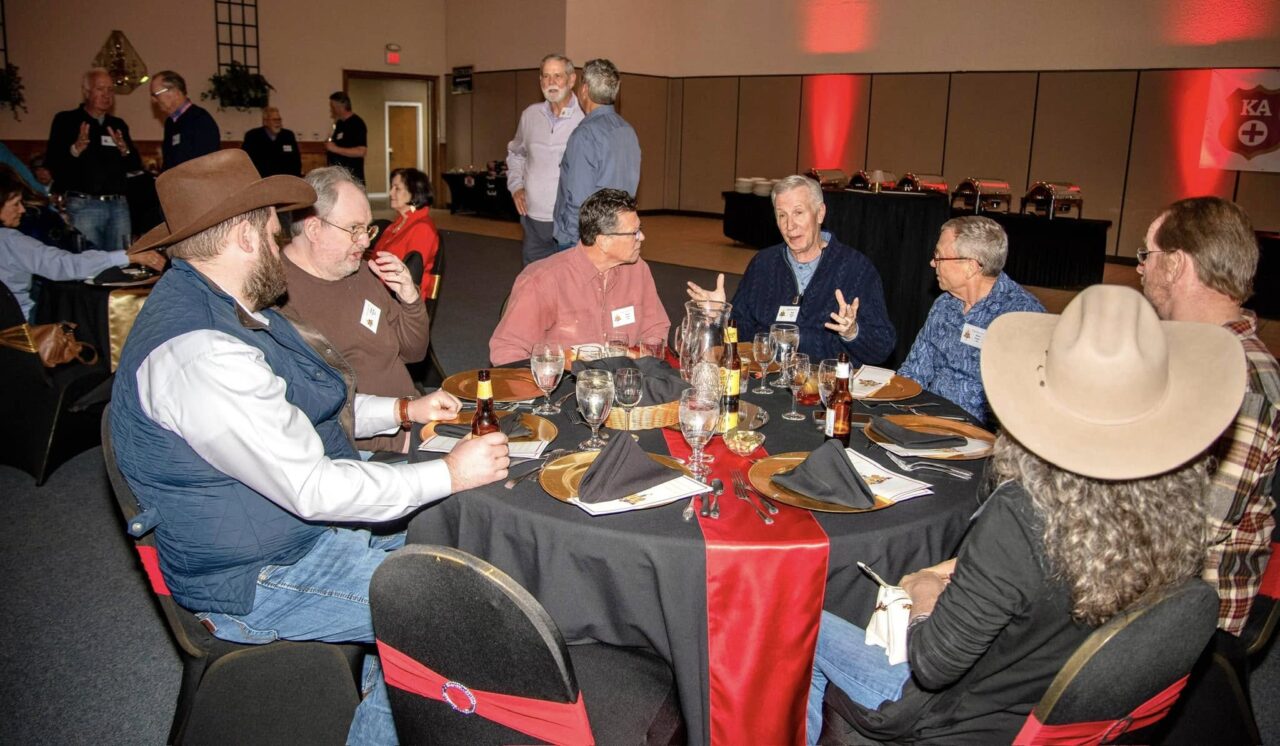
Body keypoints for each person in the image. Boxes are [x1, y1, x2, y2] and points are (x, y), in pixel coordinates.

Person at [109, 149, 509, 743]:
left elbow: (297, 416)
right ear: (245, 236)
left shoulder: (225, 309)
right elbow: (314, 488)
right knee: (453, 620)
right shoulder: (202, 353)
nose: (283, 240)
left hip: (282, 530)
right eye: (275, 231)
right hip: (260, 573)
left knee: (456, 533)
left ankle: (386, 683)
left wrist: (401, 410)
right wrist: (448, 472)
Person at [807, 284, 1247, 745]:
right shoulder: (1172, 507)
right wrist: (965, 571)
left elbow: (933, 663)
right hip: (1052, 702)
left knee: (799, 624)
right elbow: (1060, 573)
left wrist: (922, 592)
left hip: (958, 716)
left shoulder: (1023, 516)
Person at [1137, 196, 1279, 641]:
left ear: (1176, 265)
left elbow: (1198, 529)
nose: (1140, 268)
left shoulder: (1243, 379)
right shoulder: (1187, 354)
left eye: (1148, 255)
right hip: (1151, 567)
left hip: (1191, 602)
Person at [281, 166, 428, 454]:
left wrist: (409, 299)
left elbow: (413, 353)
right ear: (313, 228)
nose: (366, 241)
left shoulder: (359, 273)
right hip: (364, 450)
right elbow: (318, 414)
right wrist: (406, 440)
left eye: (367, 228)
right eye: (354, 229)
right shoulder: (278, 298)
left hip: (414, 419)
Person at [687, 175, 895, 364]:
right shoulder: (763, 264)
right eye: (782, 216)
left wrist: (852, 332)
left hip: (826, 387)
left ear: (820, 213)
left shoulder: (856, 269)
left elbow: (882, 348)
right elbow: (742, 336)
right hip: (767, 381)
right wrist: (720, 314)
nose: (790, 225)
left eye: (798, 212)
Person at [490, 188, 668, 365]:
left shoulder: (638, 270)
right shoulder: (543, 281)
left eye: (640, 229)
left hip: (624, 380)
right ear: (603, 241)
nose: (642, 237)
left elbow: (656, 328)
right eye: (634, 233)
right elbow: (507, 351)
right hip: (566, 385)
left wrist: (644, 367)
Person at [897, 216, 1044, 422]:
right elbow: (914, 372)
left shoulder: (1021, 318)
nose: (932, 263)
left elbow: (1026, 404)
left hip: (983, 435)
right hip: (927, 420)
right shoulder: (945, 305)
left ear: (971, 267)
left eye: (939, 256)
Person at [0, 170, 162, 320]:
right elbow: (66, 265)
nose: (22, 210)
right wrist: (129, 256)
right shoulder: (10, 240)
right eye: (15, 204)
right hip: (16, 328)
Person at [45, 68, 141, 251]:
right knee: (89, 266)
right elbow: (53, 163)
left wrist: (125, 150)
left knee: (122, 264)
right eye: (100, 89)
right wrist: (75, 149)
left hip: (118, 206)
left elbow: (136, 166)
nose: (106, 95)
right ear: (86, 92)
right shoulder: (66, 121)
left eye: (110, 90)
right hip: (84, 206)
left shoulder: (117, 125)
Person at [551, 58, 640, 251]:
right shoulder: (628, 131)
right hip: (618, 235)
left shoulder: (584, 135)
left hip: (585, 241)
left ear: (584, 89)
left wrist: (570, 241)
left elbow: (579, 199)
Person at [507, 54, 584, 265]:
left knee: (568, 289)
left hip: (570, 224)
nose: (551, 83)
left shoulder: (585, 119)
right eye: (546, 76)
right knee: (533, 286)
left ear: (571, 80)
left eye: (557, 76)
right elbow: (516, 154)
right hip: (533, 222)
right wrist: (516, 186)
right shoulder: (530, 116)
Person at [372, 167, 440, 301]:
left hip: (401, 300)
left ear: (414, 193)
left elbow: (410, 275)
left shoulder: (422, 229)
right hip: (383, 290)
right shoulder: (398, 223)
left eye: (397, 188)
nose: (391, 192)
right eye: (392, 187)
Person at [149, 70, 220, 171]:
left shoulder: (200, 119)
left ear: (174, 92)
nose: (153, 100)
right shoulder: (170, 123)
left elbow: (205, 165)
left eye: (155, 94)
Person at [242, 106, 302, 177]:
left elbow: (296, 161)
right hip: (261, 179)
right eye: (274, 120)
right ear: (265, 122)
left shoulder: (288, 135)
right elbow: (247, 161)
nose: (278, 122)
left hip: (285, 179)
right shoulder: (253, 136)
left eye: (279, 119)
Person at [326, 91, 368, 184]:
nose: (332, 110)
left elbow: (361, 151)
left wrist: (335, 149)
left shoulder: (357, 123)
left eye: (333, 106)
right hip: (338, 177)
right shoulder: (339, 124)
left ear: (340, 106)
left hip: (352, 178)